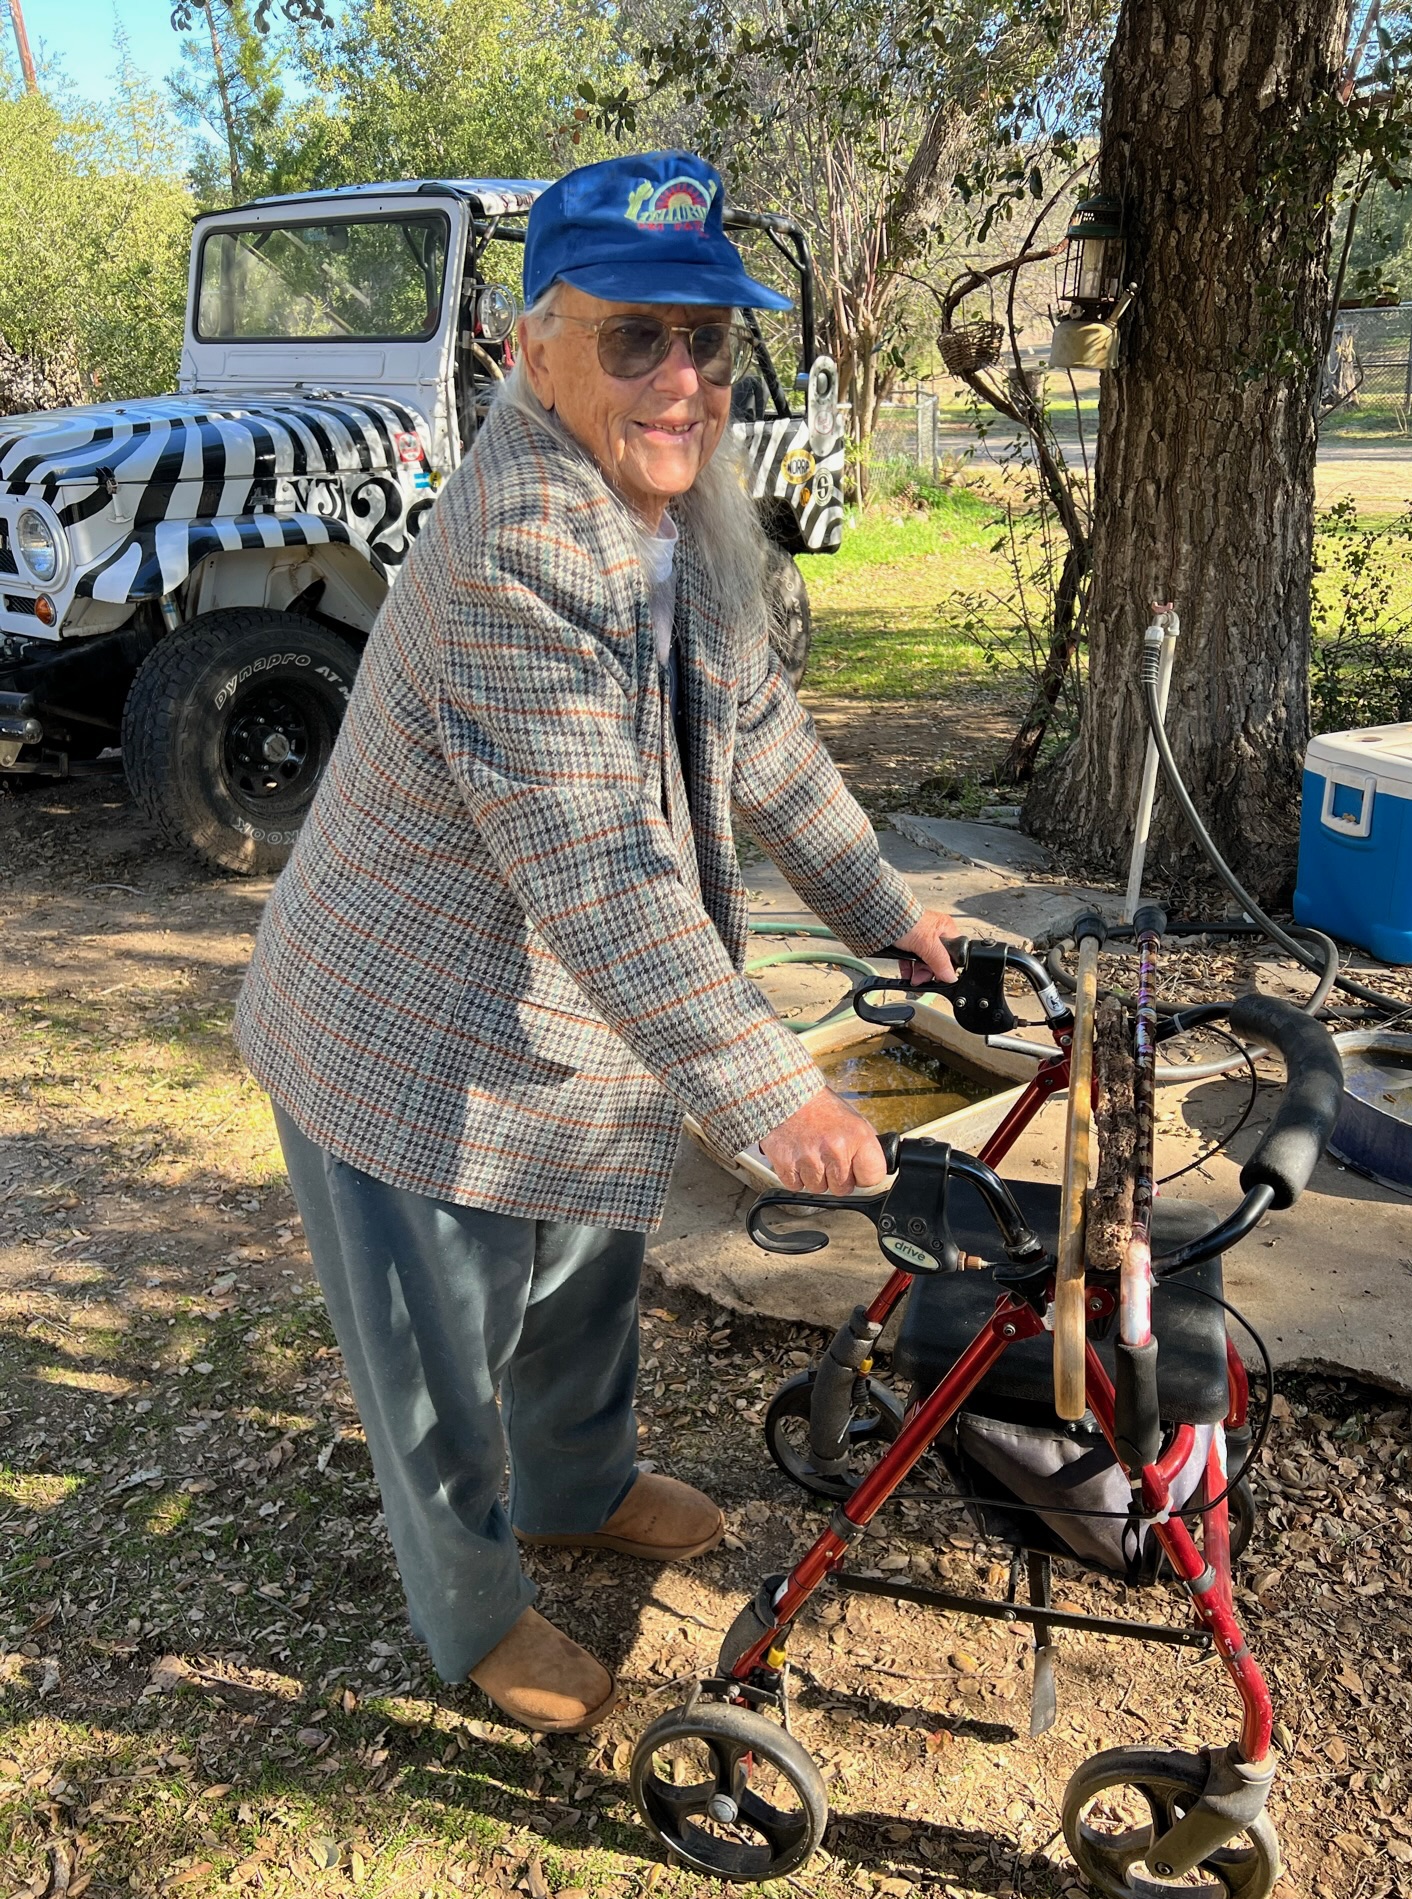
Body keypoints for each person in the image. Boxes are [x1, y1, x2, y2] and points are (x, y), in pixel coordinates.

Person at [234, 150, 958, 1735]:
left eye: (709, 340)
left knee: (580, 1277)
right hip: (409, 1036)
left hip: (564, 1026)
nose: (684, 379)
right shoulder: (516, 543)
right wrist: (768, 1089)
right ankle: (478, 1613)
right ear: (532, 348)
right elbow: (601, 873)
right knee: (441, 1359)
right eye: (638, 338)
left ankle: (578, 1483)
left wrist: (892, 913)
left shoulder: (679, 512)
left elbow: (760, 733)